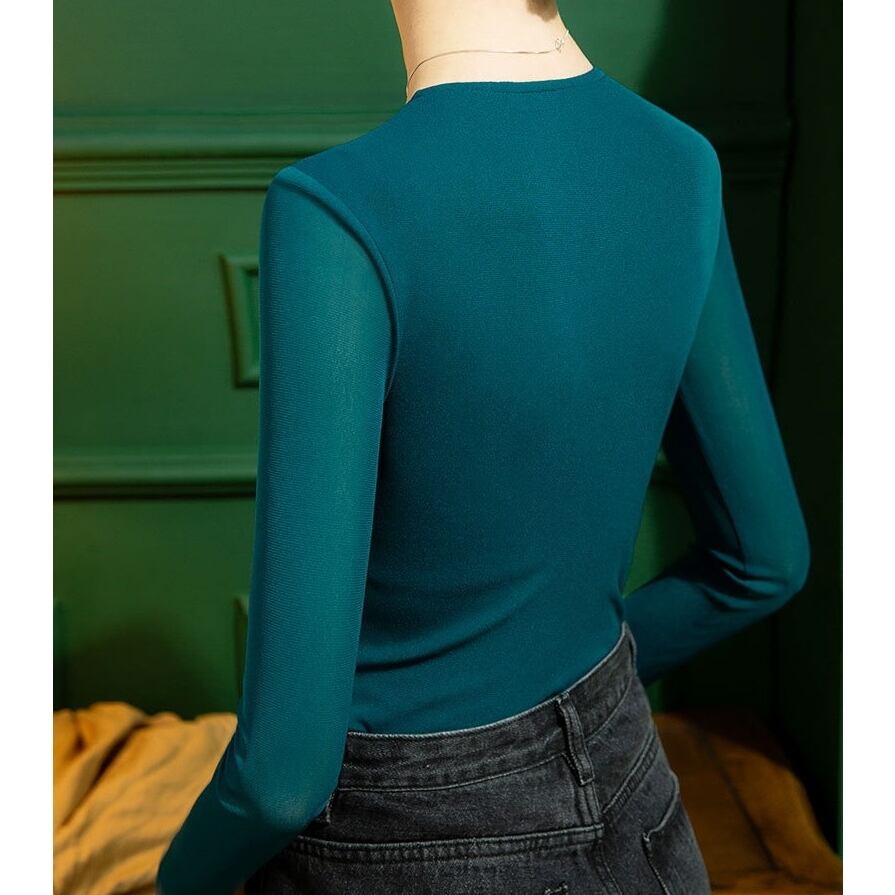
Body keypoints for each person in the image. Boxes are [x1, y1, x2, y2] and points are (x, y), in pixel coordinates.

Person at [157, 1, 811, 893]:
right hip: (637, 803)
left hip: (398, 833)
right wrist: (572, 702)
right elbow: (765, 562)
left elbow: (281, 777)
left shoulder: (337, 209)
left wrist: (173, 881)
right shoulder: (678, 161)